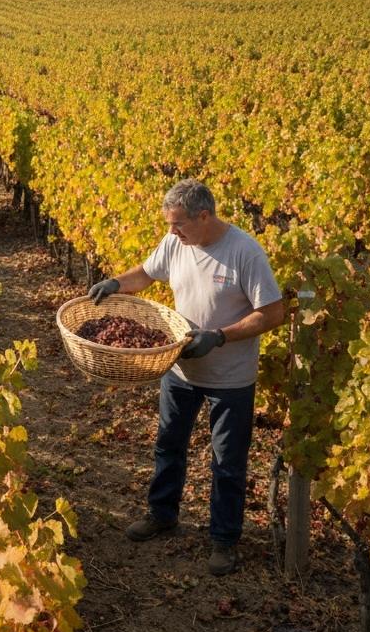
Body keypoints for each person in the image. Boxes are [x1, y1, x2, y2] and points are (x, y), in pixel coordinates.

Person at [88, 179, 284, 576]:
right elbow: (145, 273)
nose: (172, 232)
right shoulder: (177, 242)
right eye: (169, 225)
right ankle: (162, 514)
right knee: (168, 446)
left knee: (227, 462)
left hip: (230, 377)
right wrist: (116, 283)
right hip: (179, 368)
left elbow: (273, 313)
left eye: (178, 224)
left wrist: (220, 336)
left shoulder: (244, 252)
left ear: (204, 216)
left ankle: (224, 540)